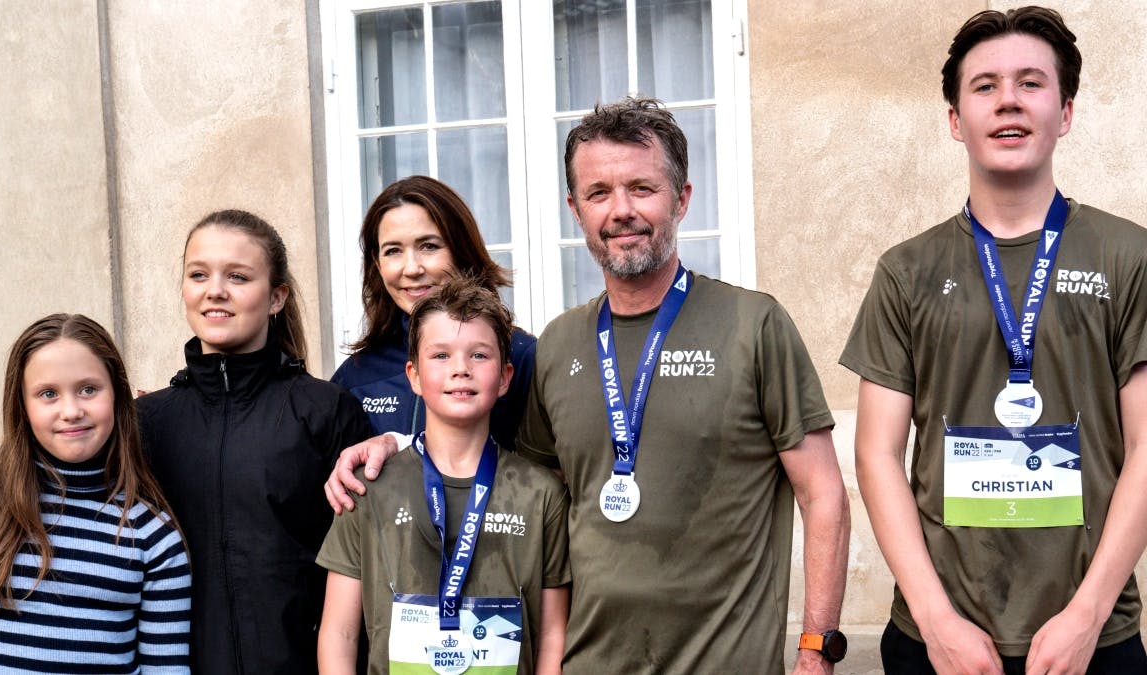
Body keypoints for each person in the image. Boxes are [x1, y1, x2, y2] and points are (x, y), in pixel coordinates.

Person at [328, 97, 851, 674]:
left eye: (642, 188)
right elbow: (510, 484)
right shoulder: (559, 345)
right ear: (575, 209)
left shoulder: (754, 326)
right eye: (599, 193)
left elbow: (823, 494)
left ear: (683, 198)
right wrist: (394, 443)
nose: (620, 210)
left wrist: (815, 649)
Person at [842, 7, 1147, 674]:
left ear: (1065, 111)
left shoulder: (1129, 256)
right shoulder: (907, 270)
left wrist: (1087, 614)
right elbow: (877, 454)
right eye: (984, 85)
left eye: (1031, 82)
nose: (1008, 99)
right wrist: (936, 618)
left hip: (1094, 635)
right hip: (939, 642)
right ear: (956, 120)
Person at [137, 210, 372, 674]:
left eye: (238, 276)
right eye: (198, 274)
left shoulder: (326, 411)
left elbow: (364, 563)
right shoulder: (147, 422)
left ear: (276, 297)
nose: (215, 290)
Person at [317, 277, 570, 674]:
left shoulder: (542, 494)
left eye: (479, 356)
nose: (460, 370)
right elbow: (339, 634)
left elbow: (554, 634)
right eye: (440, 356)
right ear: (414, 376)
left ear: (505, 377)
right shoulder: (367, 487)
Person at [0, 313, 190, 672]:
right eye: (48, 394)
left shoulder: (153, 536)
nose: (71, 411)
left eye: (88, 389)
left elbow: (165, 669)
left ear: (118, 396)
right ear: (23, 407)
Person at [328, 175, 535, 455]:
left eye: (429, 246)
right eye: (393, 251)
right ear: (377, 264)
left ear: (462, 250)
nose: (411, 268)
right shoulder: (355, 376)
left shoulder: (521, 357)